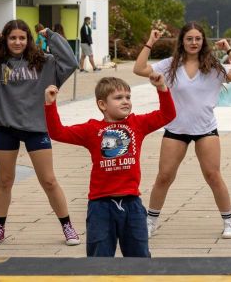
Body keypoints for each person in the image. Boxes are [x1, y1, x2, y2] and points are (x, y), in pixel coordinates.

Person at [133, 23, 231, 239]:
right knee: (164, 176)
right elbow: (139, 69)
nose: (194, 43)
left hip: (205, 129)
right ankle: (150, 221)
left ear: (203, 42)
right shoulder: (169, 65)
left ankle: (228, 221)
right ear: (182, 42)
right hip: (176, 128)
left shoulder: (212, 66)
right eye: (189, 39)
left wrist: (229, 50)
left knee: (213, 175)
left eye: (198, 39)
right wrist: (150, 42)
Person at [44, 74, 176, 257]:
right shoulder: (91, 129)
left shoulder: (138, 124)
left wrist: (162, 88)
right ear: (102, 105)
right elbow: (57, 132)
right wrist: (50, 105)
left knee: (140, 260)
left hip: (132, 205)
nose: (125, 101)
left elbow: (168, 114)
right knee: (100, 260)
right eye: (118, 98)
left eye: (128, 97)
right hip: (100, 206)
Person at [0, 21, 80, 247]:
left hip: (36, 128)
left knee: (49, 180)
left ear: (29, 40)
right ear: (4, 40)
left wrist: (50, 35)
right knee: (5, 181)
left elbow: (71, 62)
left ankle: (67, 225)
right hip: (6, 129)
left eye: (22, 38)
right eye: (12, 38)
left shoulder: (44, 63)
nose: (18, 42)